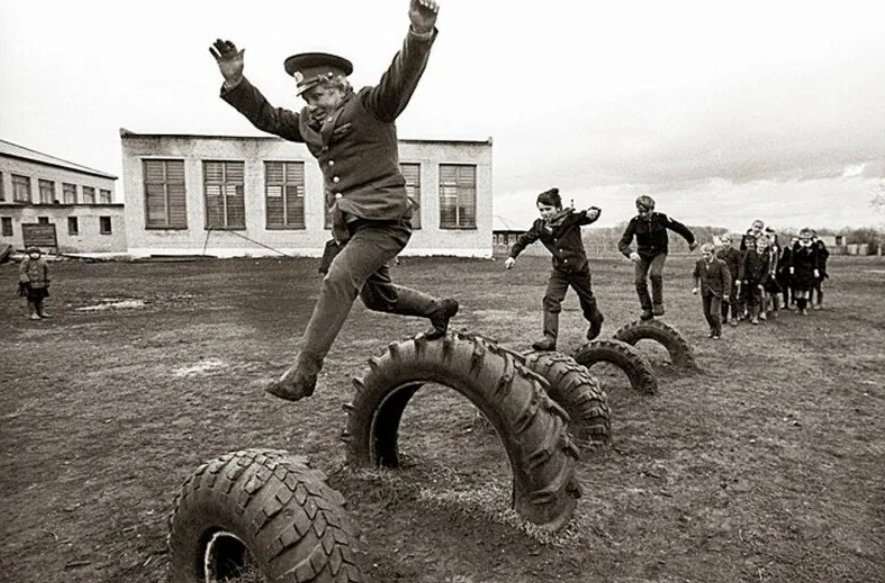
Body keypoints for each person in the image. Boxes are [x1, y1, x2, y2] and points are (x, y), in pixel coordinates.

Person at [210, 0, 458, 402]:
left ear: (339, 85)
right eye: (306, 97)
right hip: (351, 225)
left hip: (385, 220)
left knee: (340, 276)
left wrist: (420, 34)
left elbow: (401, 77)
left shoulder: (371, 107)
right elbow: (269, 117)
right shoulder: (310, 124)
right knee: (378, 297)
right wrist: (237, 82)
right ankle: (438, 308)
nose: (311, 104)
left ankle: (304, 372)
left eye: (318, 94)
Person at [505, 188, 604, 351]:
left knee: (587, 303)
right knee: (550, 299)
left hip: (579, 270)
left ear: (558, 208)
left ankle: (596, 320)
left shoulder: (570, 219)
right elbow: (523, 240)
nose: (544, 213)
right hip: (560, 271)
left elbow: (587, 216)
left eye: (548, 209)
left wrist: (594, 212)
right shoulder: (539, 226)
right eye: (541, 210)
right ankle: (549, 338)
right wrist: (512, 256)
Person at [618, 195, 698, 320]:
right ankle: (646, 309)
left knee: (655, 274)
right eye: (641, 212)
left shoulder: (661, 218)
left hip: (659, 252)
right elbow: (622, 243)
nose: (644, 214)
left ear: (652, 209)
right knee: (639, 280)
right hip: (642, 254)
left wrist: (691, 240)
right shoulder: (635, 222)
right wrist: (630, 253)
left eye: (647, 211)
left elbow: (679, 227)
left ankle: (658, 304)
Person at [692, 243, 731, 339]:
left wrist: (726, 293)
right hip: (705, 291)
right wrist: (695, 286)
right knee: (706, 313)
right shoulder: (699, 262)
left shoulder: (721, 263)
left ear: (713, 254)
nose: (705, 256)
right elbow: (695, 275)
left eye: (707, 254)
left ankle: (718, 331)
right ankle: (712, 328)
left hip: (717, 291)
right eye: (703, 254)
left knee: (714, 313)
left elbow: (727, 279)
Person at [738, 235, 771, 325]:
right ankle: (741, 313)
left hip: (757, 281)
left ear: (766, 245)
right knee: (743, 296)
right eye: (760, 243)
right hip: (747, 279)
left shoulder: (767, 256)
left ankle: (754, 316)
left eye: (764, 244)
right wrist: (743, 278)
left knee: (755, 298)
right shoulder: (750, 252)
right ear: (757, 244)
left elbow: (766, 271)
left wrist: (761, 283)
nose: (761, 246)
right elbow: (743, 265)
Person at [789, 229, 820, 315]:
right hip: (798, 269)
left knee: (806, 289)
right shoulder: (797, 245)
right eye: (804, 235)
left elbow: (816, 258)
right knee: (798, 289)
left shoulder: (814, 246)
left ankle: (804, 308)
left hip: (808, 270)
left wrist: (816, 269)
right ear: (801, 236)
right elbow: (793, 257)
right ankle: (799, 307)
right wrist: (791, 267)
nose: (806, 237)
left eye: (808, 235)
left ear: (810, 236)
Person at [715, 233, 741, 327]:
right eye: (723, 241)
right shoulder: (719, 253)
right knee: (723, 298)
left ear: (731, 242)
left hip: (733, 279)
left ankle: (734, 317)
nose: (725, 243)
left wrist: (739, 278)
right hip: (722, 279)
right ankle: (724, 316)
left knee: (733, 298)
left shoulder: (736, 253)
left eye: (727, 241)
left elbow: (740, 266)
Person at [18, 246, 52, 320]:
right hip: (30, 285)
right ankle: (33, 313)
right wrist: (25, 281)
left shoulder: (43, 261)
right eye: (32, 253)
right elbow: (22, 271)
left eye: (36, 253)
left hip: (41, 284)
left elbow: (47, 271)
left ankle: (42, 312)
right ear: (29, 254)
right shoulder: (26, 261)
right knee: (31, 299)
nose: (34, 255)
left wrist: (47, 280)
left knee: (40, 298)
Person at [811, 232, 830, 309]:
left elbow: (826, 253)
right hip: (812, 271)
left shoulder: (822, 252)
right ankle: (810, 301)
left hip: (820, 272)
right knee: (810, 287)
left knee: (819, 288)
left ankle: (819, 303)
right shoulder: (812, 249)